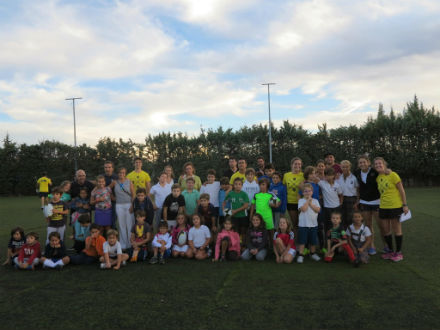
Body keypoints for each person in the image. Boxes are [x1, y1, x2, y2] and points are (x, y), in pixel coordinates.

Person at [375, 157, 409, 262]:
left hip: (395, 206)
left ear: (384, 164)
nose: (378, 165)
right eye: (376, 164)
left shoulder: (393, 175)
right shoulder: (378, 177)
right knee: (386, 230)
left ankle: (398, 253)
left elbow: (402, 191)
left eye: (379, 163)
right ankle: (390, 251)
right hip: (383, 207)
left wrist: (404, 205)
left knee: (397, 230)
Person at [354, 155, 382, 255]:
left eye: (364, 162)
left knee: (381, 225)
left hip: (377, 202)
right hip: (364, 202)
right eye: (360, 162)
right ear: (358, 164)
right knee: (368, 225)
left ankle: (387, 246)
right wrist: (358, 200)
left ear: (368, 162)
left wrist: (388, 171)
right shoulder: (357, 173)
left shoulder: (375, 171)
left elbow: (384, 174)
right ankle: (371, 246)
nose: (362, 164)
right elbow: (357, 188)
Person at [297, 183, 321, 263]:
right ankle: (300, 255)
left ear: (312, 192)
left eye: (309, 191)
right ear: (303, 193)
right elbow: (303, 209)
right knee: (302, 241)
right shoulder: (301, 200)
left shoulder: (315, 201)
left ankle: (313, 253)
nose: (307, 193)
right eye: (305, 191)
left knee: (313, 241)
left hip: (313, 225)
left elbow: (317, 210)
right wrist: (307, 201)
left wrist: (310, 203)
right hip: (303, 225)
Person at [114, 167, 135, 250]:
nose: (121, 174)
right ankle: (123, 244)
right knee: (122, 225)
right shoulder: (115, 182)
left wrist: (132, 205)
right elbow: (107, 189)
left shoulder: (129, 182)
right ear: (117, 174)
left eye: (123, 172)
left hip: (128, 205)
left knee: (129, 224)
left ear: (125, 173)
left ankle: (130, 243)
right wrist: (112, 197)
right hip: (119, 205)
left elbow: (133, 195)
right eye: (119, 173)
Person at [283, 157, 304, 237]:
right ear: (291, 165)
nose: (297, 165)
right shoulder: (286, 175)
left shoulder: (303, 175)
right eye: (295, 164)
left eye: (299, 164)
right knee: (295, 224)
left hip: (302, 202)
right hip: (291, 202)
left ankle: (303, 242)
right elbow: (283, 188)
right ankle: (295, 242)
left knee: (302, 223)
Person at [223, 178, 249, 243]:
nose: (238, 186)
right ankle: (236, 245)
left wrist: (236, 210)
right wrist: (224, 209)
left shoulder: (244, 194)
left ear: (242, 185)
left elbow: (246, 206)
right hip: (234, 216)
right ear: (233, 185)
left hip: (243, 215)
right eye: (236, 184)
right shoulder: (231, 194)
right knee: (236, 231)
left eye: (239, 184)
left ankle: (243, 245)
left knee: (243, 231)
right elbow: (224, 202)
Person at [318, 168, 342, 234]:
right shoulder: (322, 183)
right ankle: (327, 241)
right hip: (327, 208)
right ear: (325, 176)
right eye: (327, 175)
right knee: (327, 225)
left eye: (331, 175)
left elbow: (340, 195)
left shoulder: (337, 185)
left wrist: (341, 203)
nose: (329, 177)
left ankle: (336, 240)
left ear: (333, 175)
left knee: (336, 224)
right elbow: (313, 179)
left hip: (336, 207)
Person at [337, 160, 359, 229]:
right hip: (341, 199)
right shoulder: (338, 178)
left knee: (350, 219)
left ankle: (351, 236)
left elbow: (358, 190)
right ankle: (344, 236)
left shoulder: (354, 178)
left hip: (351, 200)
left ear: (350, 167)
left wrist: (357, 202)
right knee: (342, 219)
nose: (345, 168)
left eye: (347, 167)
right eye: (343, 167)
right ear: (341, 167)